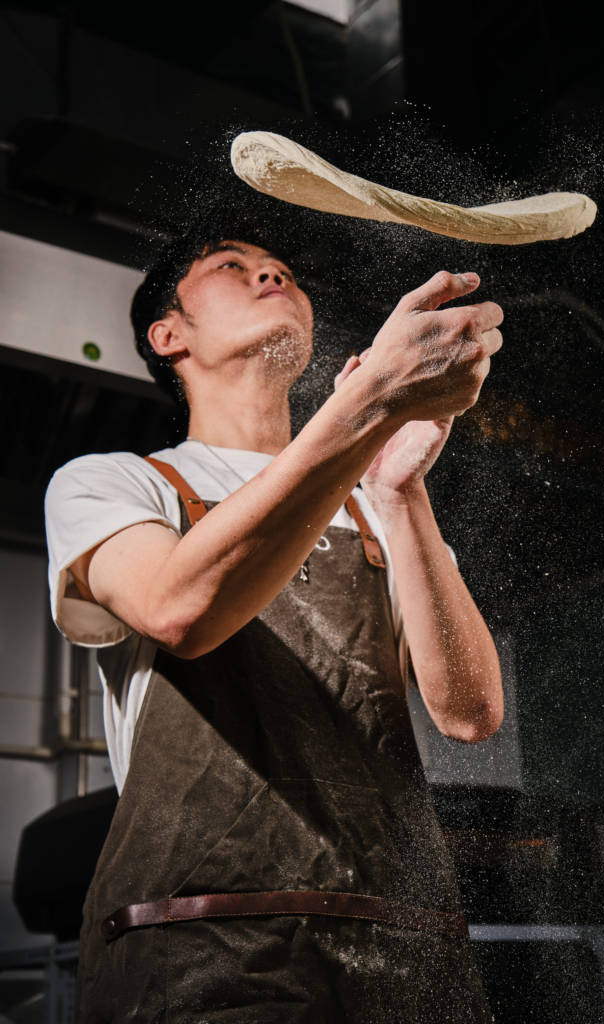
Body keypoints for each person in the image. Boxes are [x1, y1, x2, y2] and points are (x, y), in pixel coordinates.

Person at [45, 210, 505, 1023]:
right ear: (166, 336)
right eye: (231, 265)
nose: (272, 273)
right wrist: (365, 405)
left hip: (401, 944)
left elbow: (468, 712)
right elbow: (177, 609)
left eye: (282, 269)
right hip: (199, 949)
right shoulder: (116, 483)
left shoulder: (374, 507)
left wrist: (399, 492)